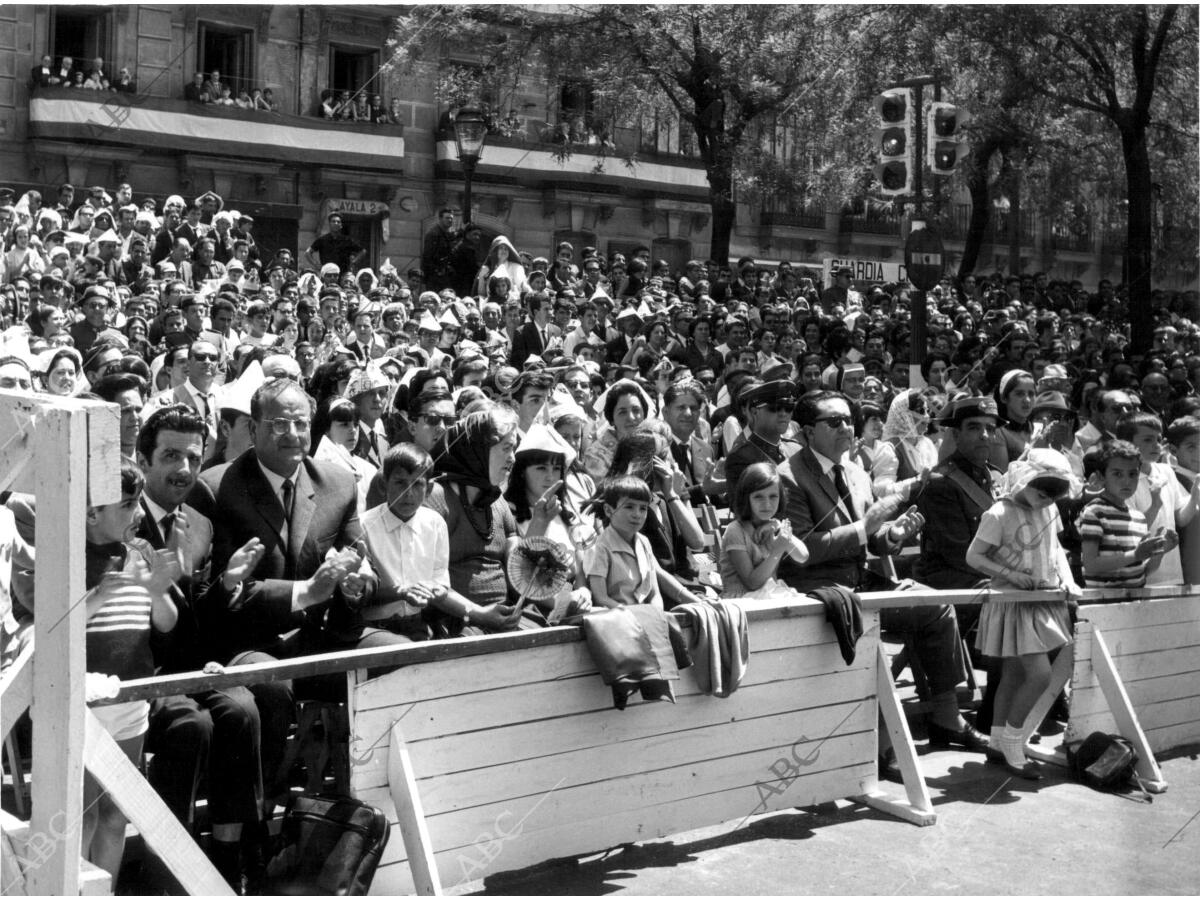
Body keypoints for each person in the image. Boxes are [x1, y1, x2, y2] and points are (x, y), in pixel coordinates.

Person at [81, 462, 179, 882]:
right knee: (81, 815)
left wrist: (157, 592)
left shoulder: (141, 551)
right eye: (126, 504)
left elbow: (167, 621)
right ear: (90, 513)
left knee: (116, 811)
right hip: (84, 705)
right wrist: (99, 596)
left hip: (129, 699)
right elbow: (55, 632)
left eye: (138, 501)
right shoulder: (70, 556)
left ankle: (106, 889)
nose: (138, 512)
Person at [966, 448, 1081, 780]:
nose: (1046, 502)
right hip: (1013, 603)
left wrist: (1069, 580)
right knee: (1040, 676)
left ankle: (999, 740)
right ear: (1025, 479)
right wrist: (1011, 575)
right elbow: (974, 557)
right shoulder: (999, 513)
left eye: (1052, 497)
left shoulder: (1050, 511)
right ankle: (1015, 741)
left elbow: (1056, 551)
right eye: (1041, 494)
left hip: (1042, 601)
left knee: (1015, 675)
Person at [354, 444, 449, 642]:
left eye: (417, 484)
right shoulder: (363, 525)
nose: (408, 493)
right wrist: (402, 592)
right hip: (373, 629)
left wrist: (437, 590)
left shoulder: (435, 523)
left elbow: (440, 577)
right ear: (383, 485)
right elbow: (360, 591)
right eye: (400, 483)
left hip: (417, 624)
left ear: (429, 488)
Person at [585, 474, 697, 610]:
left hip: (646, 615)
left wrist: (656, 614)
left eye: (643, 508)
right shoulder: (599, 549)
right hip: (617, 619)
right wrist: (633, 615)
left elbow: (654, 593)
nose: (637, 514)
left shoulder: (644, 542)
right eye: (629, 507)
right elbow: (600, 598)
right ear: (609, 510)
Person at [1115, 410, 1197, 586]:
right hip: (1140, 575)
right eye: (1147, 440)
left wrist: (1195, 496)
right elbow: (1130, 529)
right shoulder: (1122, 479)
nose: (1156, 445)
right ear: (1126, 443)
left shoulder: (1166, 471)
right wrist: (1155, 505)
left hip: (1172, 572)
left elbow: (1181, 519)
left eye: (1159, 440)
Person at [1077, 440, 1174, 588]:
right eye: (1117, 474)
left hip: (1135, 603)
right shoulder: (1094, 512)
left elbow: (1142, 572)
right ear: (1101, 477)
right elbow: (1090, 565)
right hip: (1102, 604)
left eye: (1132, 474)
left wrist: (1159, 551)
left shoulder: (1139, 518)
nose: (1126, 481)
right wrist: (1136, 555)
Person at [720, 463, 809, 599]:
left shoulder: (773, 527)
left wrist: (780, 528)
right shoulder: (735, 531)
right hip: (742, 602)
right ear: (746, 498)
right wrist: (778, 550)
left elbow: (802, 556)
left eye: (773, 496)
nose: (767, 504)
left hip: (766, 595)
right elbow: (752, 583)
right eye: (758, 497)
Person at [421, 207, 459, 293]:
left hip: (444, 275)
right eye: (447, 218)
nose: (450, 220)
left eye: (451, 218)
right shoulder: (434, 234)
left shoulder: (446, 234)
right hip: (435, 276)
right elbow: (427, 257)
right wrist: (435, 272)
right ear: (440, 219)